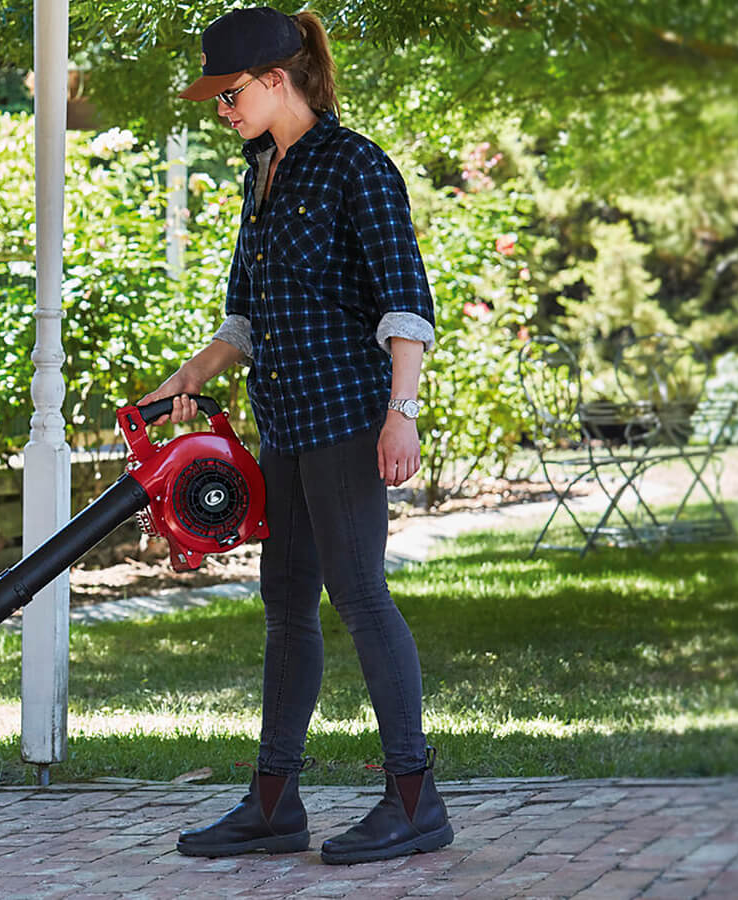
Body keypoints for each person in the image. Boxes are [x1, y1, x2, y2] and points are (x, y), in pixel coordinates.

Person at [144, 5, 452, 866]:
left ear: (277, 80)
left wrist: (403, 413)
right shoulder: (261, 173)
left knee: (358, 595)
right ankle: (274, 803)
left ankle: (416, 797)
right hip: (284, 422)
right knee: (287, 605)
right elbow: (245, 316)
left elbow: (406, 303)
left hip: (351, 420)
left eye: (231, 94)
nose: (223, 110)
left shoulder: (357, 166)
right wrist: (191, 376)